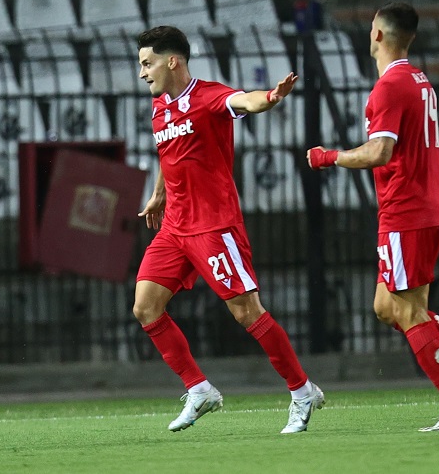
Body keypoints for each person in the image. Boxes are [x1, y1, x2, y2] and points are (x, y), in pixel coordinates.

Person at [307, 2, 439, 432]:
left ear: (378, 34)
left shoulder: (389, 87)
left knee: (410, 312)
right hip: (425, 206)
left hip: (406, 210)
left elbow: (381, 151)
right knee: (387, 307)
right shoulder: (419, 80)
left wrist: (329, 157)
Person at [132, 25, 324, 434]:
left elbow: (244, 100)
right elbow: (168, 153)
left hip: (213, 225)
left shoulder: (209, 96)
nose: (143, 73)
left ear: (172, 61)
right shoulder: (160, 106)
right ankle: (199, 389)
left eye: (147, 63)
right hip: (174, 226)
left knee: (247, 312)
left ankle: (302, 390)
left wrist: (270, 98)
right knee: (145, 307)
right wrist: (159, 193)